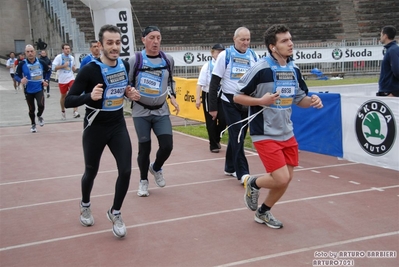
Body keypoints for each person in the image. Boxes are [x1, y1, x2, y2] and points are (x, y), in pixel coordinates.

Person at [234, 24, 323, 229]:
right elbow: (237, 96)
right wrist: (261, 101)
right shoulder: (260, 68)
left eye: (290, 39)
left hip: (287, 132)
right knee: (281, 178)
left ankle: (263, 212)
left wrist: (313, 101)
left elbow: (300, 99)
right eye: (284, 41)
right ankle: (253, 183)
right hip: (264, 132)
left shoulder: (294, 69)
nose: (290, 44)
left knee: (287, 178)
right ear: (273, 47)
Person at [65, 24, 140, 238]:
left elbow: (123, 89)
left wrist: (129, 93)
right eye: (110, 43)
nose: (115, 46)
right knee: (91, 171)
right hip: (95, 126)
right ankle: (85, 204)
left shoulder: (124, 65)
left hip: (117, 124)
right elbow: (70, 100)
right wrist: (89, 97)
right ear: (100, 45)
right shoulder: (90, 69)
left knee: (126, 170)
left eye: (118, 42)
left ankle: (115, 212)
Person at [128, 26, 179, 197]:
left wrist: (172, 96)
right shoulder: (135, 60)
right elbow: (127, 84)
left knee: (167, 146)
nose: (156, 41)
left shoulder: (168, 59)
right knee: (145, 147)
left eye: (158, 37)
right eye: (151, 37)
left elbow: (171, 80)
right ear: (143, 40)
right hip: (141, 111)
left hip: (161, 110)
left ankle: (156, 167)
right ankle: (143, 181)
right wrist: (130, 92)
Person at [208, 27, 259, 184]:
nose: (245, 43)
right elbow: (214, 82)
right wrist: (213, 108)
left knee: (240, 135)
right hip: (229, 101)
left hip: (246, 101)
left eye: (248, 39)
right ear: (234, 39)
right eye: (242, 39)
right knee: (237, 135)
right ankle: (243, 173)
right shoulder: (225, 55)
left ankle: (229, 167)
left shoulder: (253, 55)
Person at [195, 44, 227, 153]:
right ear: (212, 53)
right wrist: (198, 99)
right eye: (217, 52)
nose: (220, 54)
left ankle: (217, 138)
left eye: (222, 52)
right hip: (209, 94)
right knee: (211, 120)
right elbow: (199, 84)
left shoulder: (226, 65)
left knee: (223, 119)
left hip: (222, 95)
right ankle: (213, 144)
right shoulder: (207, 66)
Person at [14, 45, 51, 133]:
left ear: (34, 52)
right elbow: (16, 75)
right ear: (25, 53)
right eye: (28, 52)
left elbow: (48, 71)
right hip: (28, 90)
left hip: (39, 88)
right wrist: (21, 80)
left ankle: (39, 116)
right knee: (31, 109)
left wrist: (46, 80)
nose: (30, 53)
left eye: (31, 51)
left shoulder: (41, 62)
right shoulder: (22, 64)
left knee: (41, 105)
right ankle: (33, 124)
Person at [52, 43, 80, 119]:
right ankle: (63, 111)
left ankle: (75, 111)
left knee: (74, 93)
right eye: (66, 48)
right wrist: (63, 66)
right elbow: (53, 68)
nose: (68, 50)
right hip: (62, 80)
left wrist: (75, 69)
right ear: (63, 50)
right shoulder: (59, 57)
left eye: (69, 48)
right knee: (63, 96)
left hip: (71, 78)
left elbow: (73, 67)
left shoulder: (72, 57)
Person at [377, 25, 399, 97]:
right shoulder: (392, 49)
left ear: (385, 36)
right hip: (388, 90)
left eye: (381, 34)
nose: (380, 37)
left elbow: (397, 70)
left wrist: (395, 93)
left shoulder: (392, 50)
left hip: (390, 91)